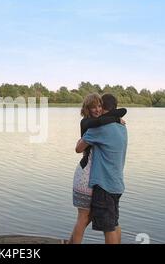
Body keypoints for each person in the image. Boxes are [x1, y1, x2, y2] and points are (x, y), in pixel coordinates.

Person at [65, 93, 126, 244]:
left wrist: (114, 117)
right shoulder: (122, 127)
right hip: (106, 180)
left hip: (101, 182)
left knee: (104, 224)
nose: (97, 109)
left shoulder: (100, 128)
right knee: (98, 221)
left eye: (99, 106)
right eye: (94, 107)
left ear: (103, 107)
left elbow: (79, 147)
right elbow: (79, 148)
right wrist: (117, 118)